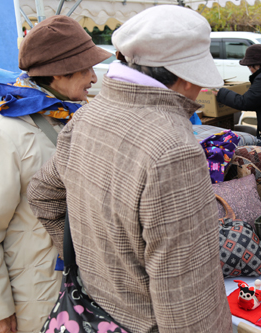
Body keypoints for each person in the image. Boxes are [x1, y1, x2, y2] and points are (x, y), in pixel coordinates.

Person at [27, 6, 232, 333]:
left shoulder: (88, 115)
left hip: (89, 311)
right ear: (184, 75)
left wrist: (93, 265)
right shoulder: (174, 149)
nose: (201, 88)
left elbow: (42, 196)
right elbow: (187, 302)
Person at [0, 16, 111, 333]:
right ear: (57, 72)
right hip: (36, 299)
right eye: (85, 67)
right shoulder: (2, 132)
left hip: (84, 291)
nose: (94, 77)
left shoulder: (75, 117)